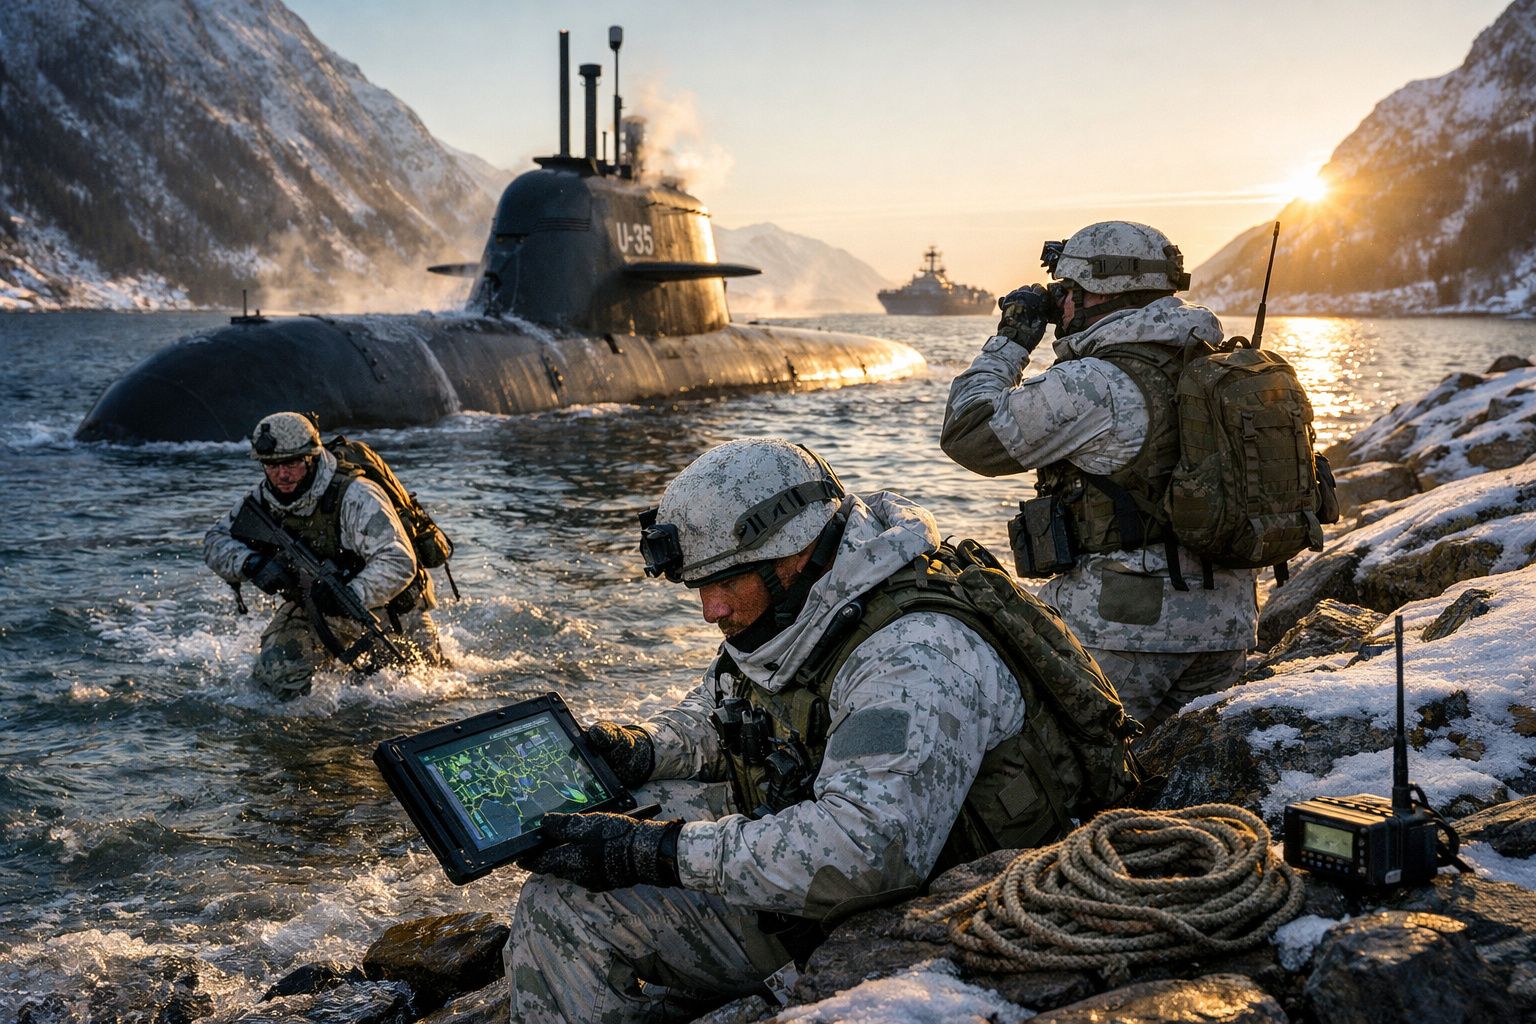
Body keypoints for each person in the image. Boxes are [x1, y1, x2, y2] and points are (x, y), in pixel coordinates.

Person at [504, 436, 1131, 1024]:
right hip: (865, 850)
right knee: (629, 810)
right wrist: (642, 750)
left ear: (796, 551)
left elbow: (867, 848)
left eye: (724, 581)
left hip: (937, 899)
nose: (710, 610)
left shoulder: (912, 652)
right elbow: (729, 711)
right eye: (701, 586)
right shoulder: (806, 607)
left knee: (563, 904)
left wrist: (665, 854)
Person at [941, 220, 1258, 736]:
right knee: (1170, 782)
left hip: (1125, 630)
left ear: (1096, 292)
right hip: (1228, 625)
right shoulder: (1220, 363)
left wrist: (1010, 343)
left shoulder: (1097, 383)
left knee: (1073, 779)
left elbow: (969, 434)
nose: (1059, 306)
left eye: (1065, 292)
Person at [203, 411, 439, 699]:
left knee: (422, 690)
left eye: (291, 463)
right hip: (317, 607)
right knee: (275, 674)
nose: (282, 475)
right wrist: (253, 564)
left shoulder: (355, 495)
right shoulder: (262, 501)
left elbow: (398, 560)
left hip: (391, 606)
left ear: (311, 458)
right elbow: (215, 541)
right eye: (272, 465)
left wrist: (352, 594)